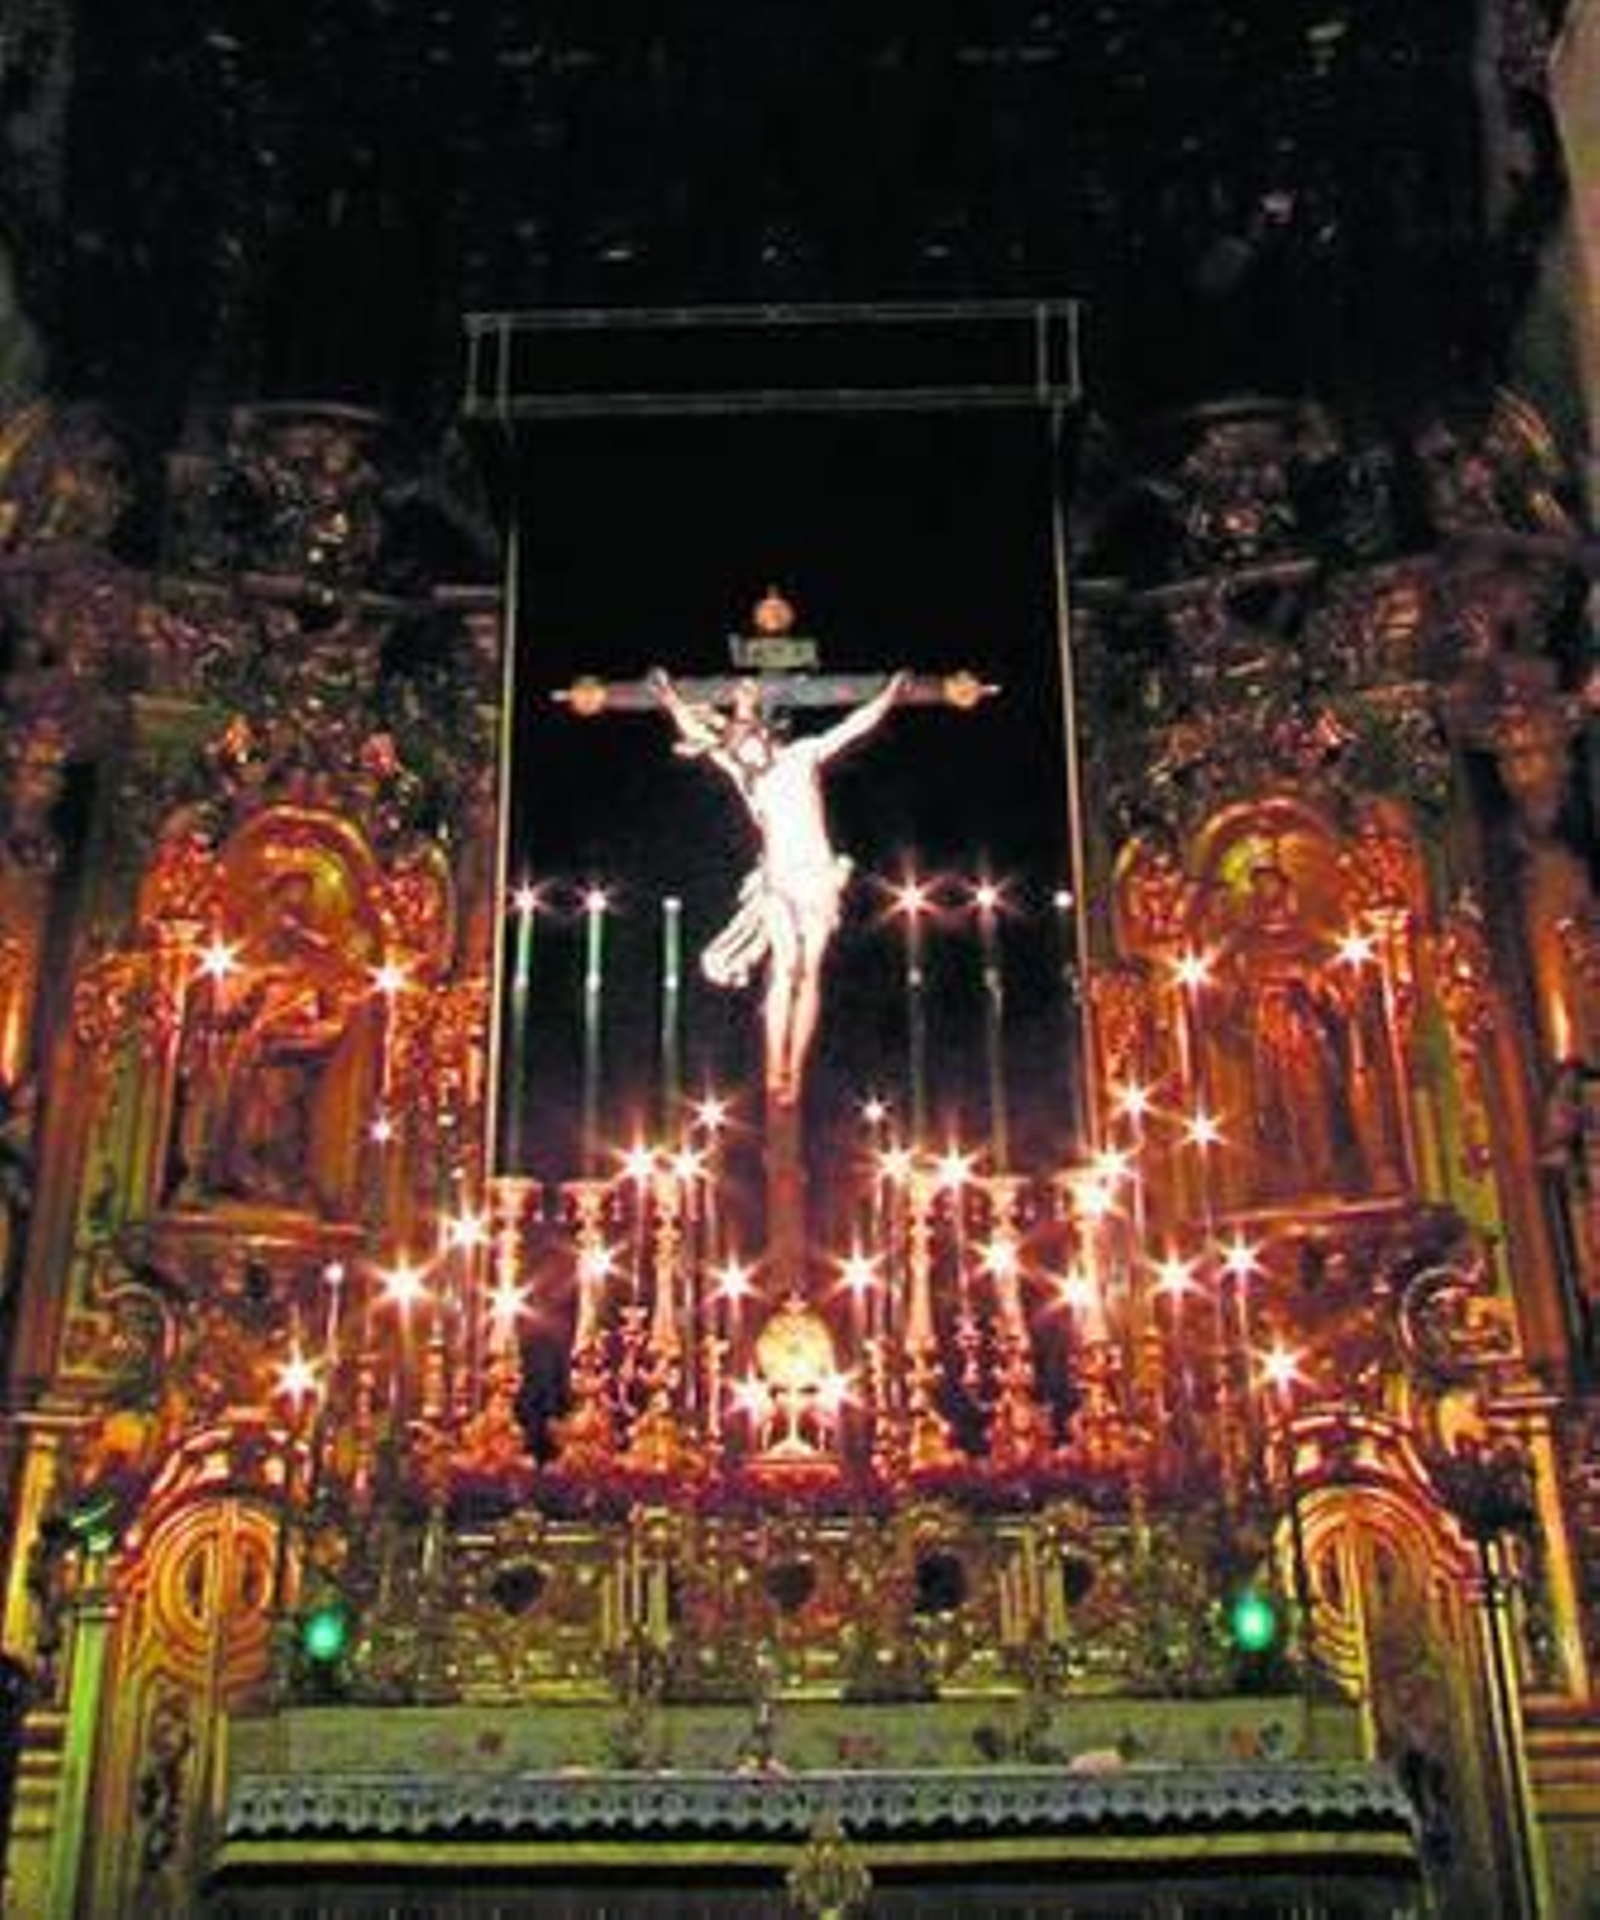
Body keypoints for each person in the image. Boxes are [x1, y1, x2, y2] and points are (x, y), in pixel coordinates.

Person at [650, 668, 910, 1105]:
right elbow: (699, 732)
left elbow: (852, 727)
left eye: (749, 742)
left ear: (764, 735)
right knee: (786, 967)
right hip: (778, 879)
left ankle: (795, 1067)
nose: (746, 753)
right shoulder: (744, 774)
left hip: (819, 878)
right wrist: (671, 699)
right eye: (738, 749)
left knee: (808, 973)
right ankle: (775, 1065)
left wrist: (888, 696)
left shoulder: (802, 755)